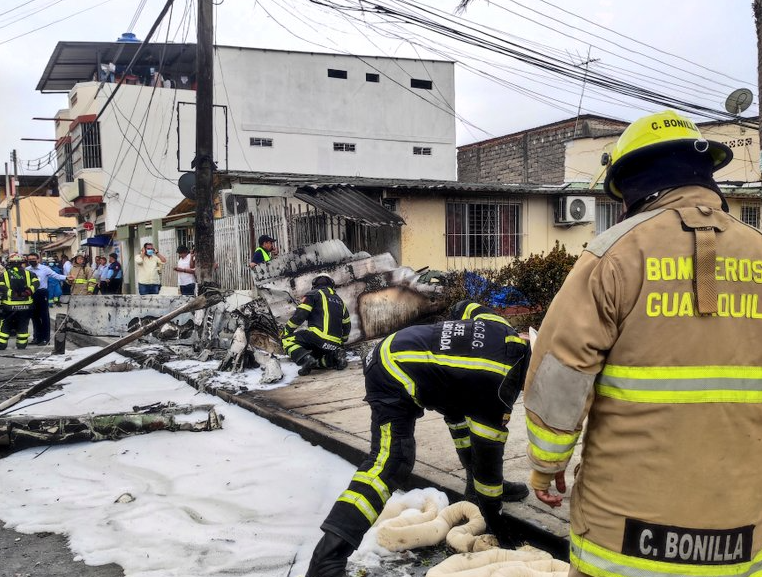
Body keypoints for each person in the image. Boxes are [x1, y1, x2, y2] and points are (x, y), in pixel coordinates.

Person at [523, 110, 762, 577]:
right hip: (741, 539)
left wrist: (546, 465)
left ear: (630, 183)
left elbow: (559, 377)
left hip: (625, 541)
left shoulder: (611, 256)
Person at [304, 304, 531, 576]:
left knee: (459, 407)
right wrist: (495, 519)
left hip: (401, 349)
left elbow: (464, 307)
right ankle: (326, 561)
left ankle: (471, 485)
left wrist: (454, 343)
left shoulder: (501, 327)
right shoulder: (500, 386)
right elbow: (488, 461)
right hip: (392, 372)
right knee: (391, 462)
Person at [281, 274, 350, 376]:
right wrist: (343, 341)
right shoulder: (340, 301)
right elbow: (347, 324)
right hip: (335, 344)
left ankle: (306, 359)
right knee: (316, 360)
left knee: (286, 340)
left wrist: (287, 330)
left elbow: (300, 315)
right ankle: (335, 358)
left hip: (318, 338)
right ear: (331, 285)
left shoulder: (313, 294)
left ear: (314, 284)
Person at [25, 253, 67, 345]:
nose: (32, 260)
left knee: (44, 317)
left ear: (38, 259)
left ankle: (45, 339)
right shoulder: (26, 270)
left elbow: (56, 276)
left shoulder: (45, 269)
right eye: (30, 259)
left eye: (33, 259)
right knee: (34, 317)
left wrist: (67, 278)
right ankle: (37, 338)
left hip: (42, 293)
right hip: (31, 294)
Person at [0, 254, 39, 350]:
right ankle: (21, 344)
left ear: (10, 263)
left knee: (5, 325)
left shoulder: (4, 274)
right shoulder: (29, 274)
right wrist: (28, 292)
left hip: (9, 306)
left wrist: (12, 294)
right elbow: (36, 283)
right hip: (26, 306)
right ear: (22, 263)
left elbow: (1, 286)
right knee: (23, 325)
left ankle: (2, 344)